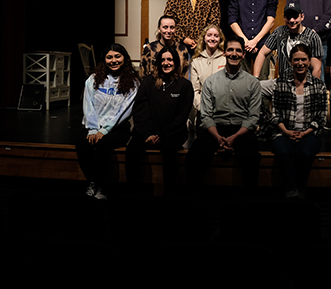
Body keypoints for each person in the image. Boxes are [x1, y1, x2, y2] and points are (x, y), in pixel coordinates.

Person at [185, 35, 262, 196]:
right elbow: (205, 116)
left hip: (241, 131)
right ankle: (195, 201)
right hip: (215, 129)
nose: (234, 54)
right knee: (194, 156)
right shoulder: (211, 82)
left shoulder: (253, 83)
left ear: (243, 55)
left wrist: (233, 138)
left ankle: (249, 201)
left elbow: (253, 118)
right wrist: (218, 137)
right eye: (230, 50)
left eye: (238, 51)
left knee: (253, 157)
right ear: (225, 53)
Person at [76, 44, 140, 200]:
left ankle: (100, 186)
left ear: (124, 58)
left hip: (118, 127)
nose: (114, 60)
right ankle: (93, 182)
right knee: (82, 143)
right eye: (109, 57)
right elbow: (88, 105)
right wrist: (92, 129)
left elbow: (124, 110)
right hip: (94, 124)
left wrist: (104, 131)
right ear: (104, 60)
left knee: (104, 145)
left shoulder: (133, 82)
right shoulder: (92, 79)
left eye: (117, 56)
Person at [127, 47, 194, 196]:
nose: (166, 63)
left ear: (176, 62)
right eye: (163, 60)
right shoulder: (147, 82)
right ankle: (133, 195)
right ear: (158, 63)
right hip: (147, 132)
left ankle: (169, 197)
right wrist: (147, 134)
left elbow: (181, 117)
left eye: (169, 59)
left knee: (169, 151)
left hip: (172, 132)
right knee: (132, 149)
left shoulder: (185, 86)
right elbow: (139, 110)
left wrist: (162, 134)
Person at [268, 44, 328, 199]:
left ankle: (300, 190)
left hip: (309, 132)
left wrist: (304, 133)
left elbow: (321, 117)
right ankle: (291, 191)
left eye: (303, 59)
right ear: (290, 62)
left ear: (309, 61)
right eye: (296, 60)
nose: (300, 63)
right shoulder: (281, 83)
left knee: (304, 152)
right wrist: (287, 132)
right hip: (284, 131)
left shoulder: (319, 85)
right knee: (284, 152)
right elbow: (275, 114)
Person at [253, 2, 322, 99]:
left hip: (303, 84)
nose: (292, 20)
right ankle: (263, 114)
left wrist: (312, 89)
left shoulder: (312, 37)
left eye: (295, 17)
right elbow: (262, 53)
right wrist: (256, 78)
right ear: (284, 18)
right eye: (288, 17)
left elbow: (316, 67)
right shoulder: (279, 32)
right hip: (282, 82)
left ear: (302, 17)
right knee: (255, 89)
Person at [228, 0, 278, 77]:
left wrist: (255, 42)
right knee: (240, 80)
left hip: (262, 45)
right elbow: (232, 20)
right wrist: (246, 42)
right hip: (242, 45)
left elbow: (270, 21)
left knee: (262, 82)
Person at [286, 0, 331, 80]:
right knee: (295, 77)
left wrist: (313, 32)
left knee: (318, 79)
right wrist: (304, 33)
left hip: (320, 42)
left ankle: (317, 99)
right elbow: (291, 14)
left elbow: (328, 16)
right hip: (298, 42)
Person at [190, 24, 226, 118]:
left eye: (216, 36)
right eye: (209, 35)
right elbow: (195, 90)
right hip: (203, 110)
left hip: (223, 111)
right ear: (204, 38)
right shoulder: (196, 62)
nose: (212, 38)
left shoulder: (226, 60)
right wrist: (201, 108)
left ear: (220, 39)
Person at [140, 14, 191, 79]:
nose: (169, 31)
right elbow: (143, 75)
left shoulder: (182, 49)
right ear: (159, 29)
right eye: (165, 27)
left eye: (172, 27)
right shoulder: (149, 48)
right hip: (154, 87)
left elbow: (185, 76)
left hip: (176, 87)